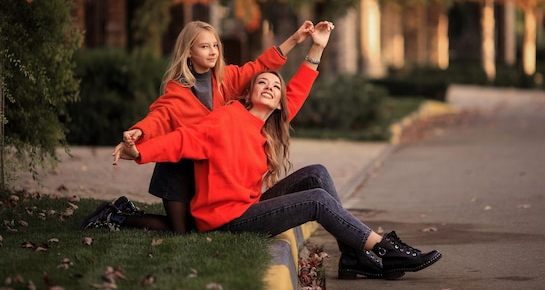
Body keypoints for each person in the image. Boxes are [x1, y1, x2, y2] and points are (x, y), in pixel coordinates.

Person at [111, 21, 442, 280]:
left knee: (317, 174)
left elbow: (296, 89)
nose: (270, 87)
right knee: (316, 200)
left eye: (275, 86)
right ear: (248, 90)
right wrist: (137, 150)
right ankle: (383, 249)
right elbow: (177, 136)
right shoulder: (226, 117)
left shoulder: (265, 121)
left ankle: (355, 256)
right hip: (226, 218)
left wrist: (315, 47)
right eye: (262, 83)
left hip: (246, 206)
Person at [82, 20, 315, 233]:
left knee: (193, 228)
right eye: (204, 47)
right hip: (178, 168)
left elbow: (261, 67)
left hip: (206, 172)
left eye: (215, 45)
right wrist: (140, 131)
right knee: (180, 231)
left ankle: (124, 210)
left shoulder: (228, 78)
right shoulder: (178, 90)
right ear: (189, 51)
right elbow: (161, 116)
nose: (213, 51)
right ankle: (114, 217)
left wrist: (295, 39)